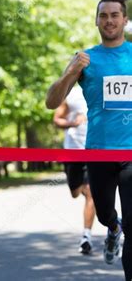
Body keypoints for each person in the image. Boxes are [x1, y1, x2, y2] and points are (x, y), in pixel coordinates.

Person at [46, 0, 131, 280]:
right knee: (106, 212)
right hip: (98, 151)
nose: (109, 21)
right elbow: (51, 102)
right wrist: (71, 72)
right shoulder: (86, 59)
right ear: (97, 20)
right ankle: (112, 228)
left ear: (125, 19)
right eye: (103, 16)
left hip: (131, 153)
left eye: (115, 15)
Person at [53, 85, 96, 254]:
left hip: (93, 150)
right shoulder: (71, 94)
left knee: (91, 192)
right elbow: (57, 119)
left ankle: (86, 236)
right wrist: (72, 122)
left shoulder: (101, 91)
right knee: (75, 192)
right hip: (72, 151)